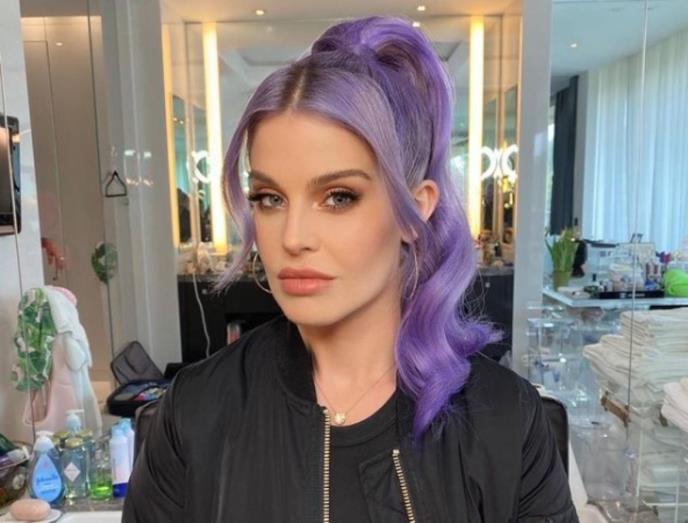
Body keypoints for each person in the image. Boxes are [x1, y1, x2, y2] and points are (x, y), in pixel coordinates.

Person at [123, 16, 578, 522]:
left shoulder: (507, 420)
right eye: (270, 198)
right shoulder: (195, 411)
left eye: (339, 197)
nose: (292, 237)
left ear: (414, 212)